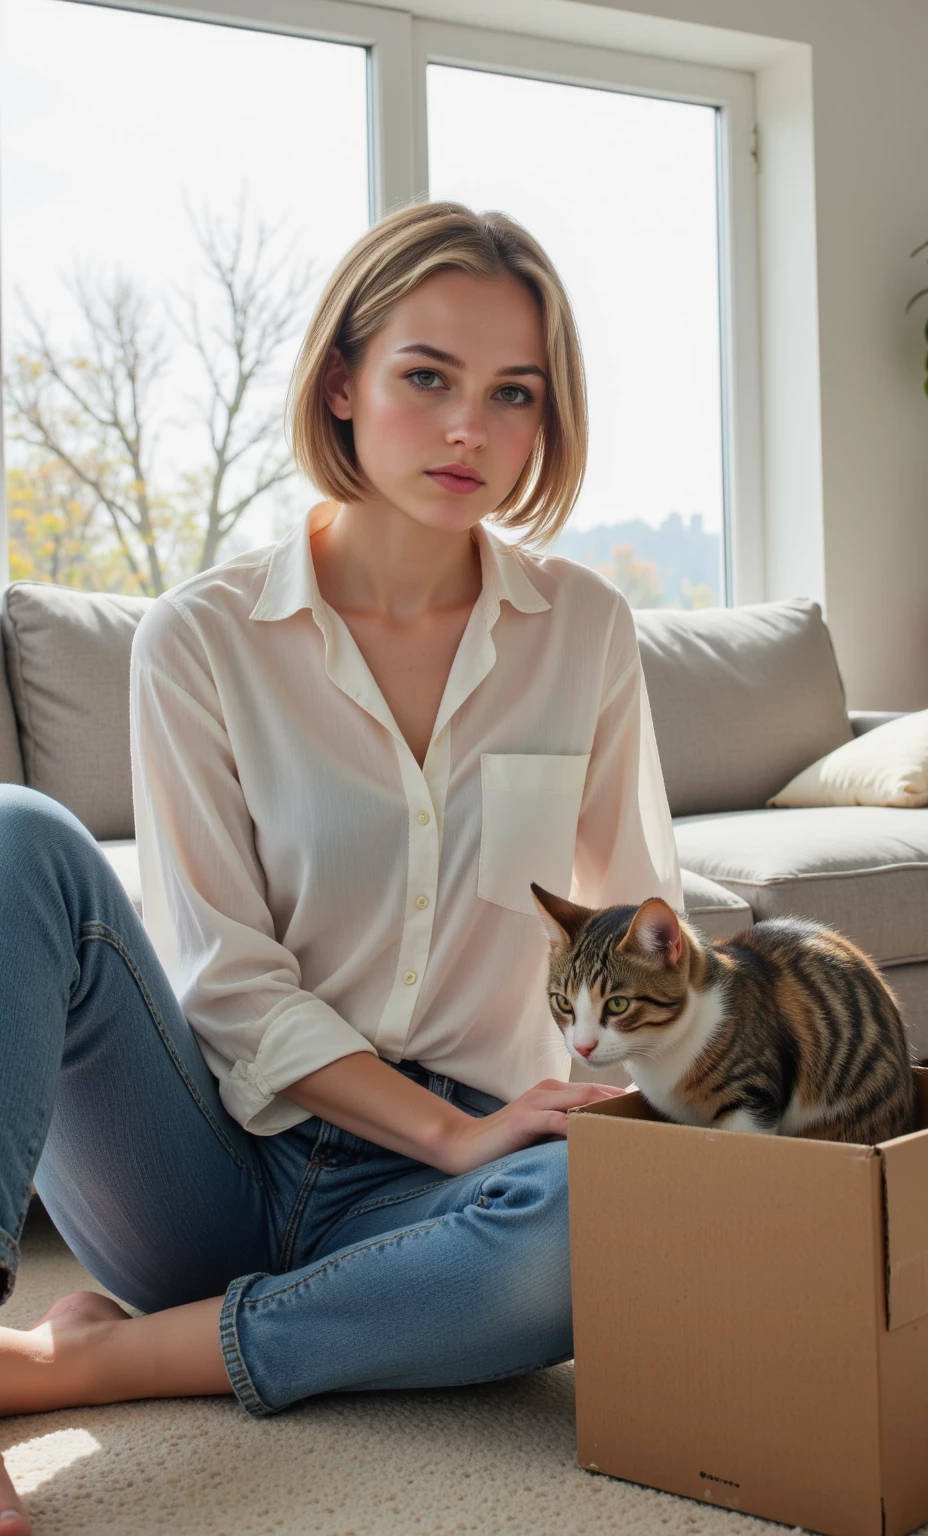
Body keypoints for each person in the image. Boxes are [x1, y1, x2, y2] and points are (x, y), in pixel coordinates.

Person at [0, 199, 685, 1533]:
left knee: (592, 1230)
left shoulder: (587, 631)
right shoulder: (201, 639)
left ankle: (84, 1360)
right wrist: (448, 1125)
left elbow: (640, 920)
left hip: (442, 1200)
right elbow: (226, 980)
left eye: (514, 394)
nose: (468, 429)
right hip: (207, 1155)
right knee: (15, 835)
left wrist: (649, 1122)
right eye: (427, 377)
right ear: (343, 382)